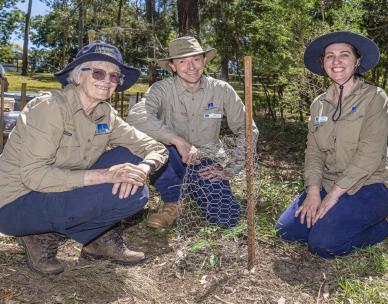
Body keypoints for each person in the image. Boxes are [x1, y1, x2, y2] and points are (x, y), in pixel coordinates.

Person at [0, 42, 168, 275]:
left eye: (114, 76)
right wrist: (106, 175)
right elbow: (33, 175)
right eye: (98, 72)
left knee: (133, 170)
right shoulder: (49, 107)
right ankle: (37, 234)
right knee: (130, 192)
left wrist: (144, 168)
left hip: (59, 189)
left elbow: (155, 147)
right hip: (16, 202)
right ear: (78, 76)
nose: (107, 80)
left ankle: (96, 240)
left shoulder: (106, 114)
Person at [276, 31, 388, 258]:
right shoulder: (319, 104)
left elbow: (371, 152)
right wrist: (314, 192)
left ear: (357, 61)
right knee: (287, 232)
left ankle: (382, 224)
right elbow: (314, 152)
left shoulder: (375, 97)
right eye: (330, 56)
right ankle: (332, 219)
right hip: (327, 181)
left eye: (344, 55)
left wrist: (333, 196)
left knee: (324, 244)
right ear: (323, 63)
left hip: (369, 184)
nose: (336, 62)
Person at [127, 36, 259, 229]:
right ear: (172, 66)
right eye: (182, 61)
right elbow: (136, 115)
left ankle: (191, 189)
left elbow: (248, 129)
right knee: (153, 147)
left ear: (204, 60)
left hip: (205, 161)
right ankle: (172, 201)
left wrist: (231, 168)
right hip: (170, 157)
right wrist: (178, 141)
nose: (191, 66)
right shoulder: (161, 89)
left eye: (196, 59)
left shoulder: (221, 90)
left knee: (227, 218)